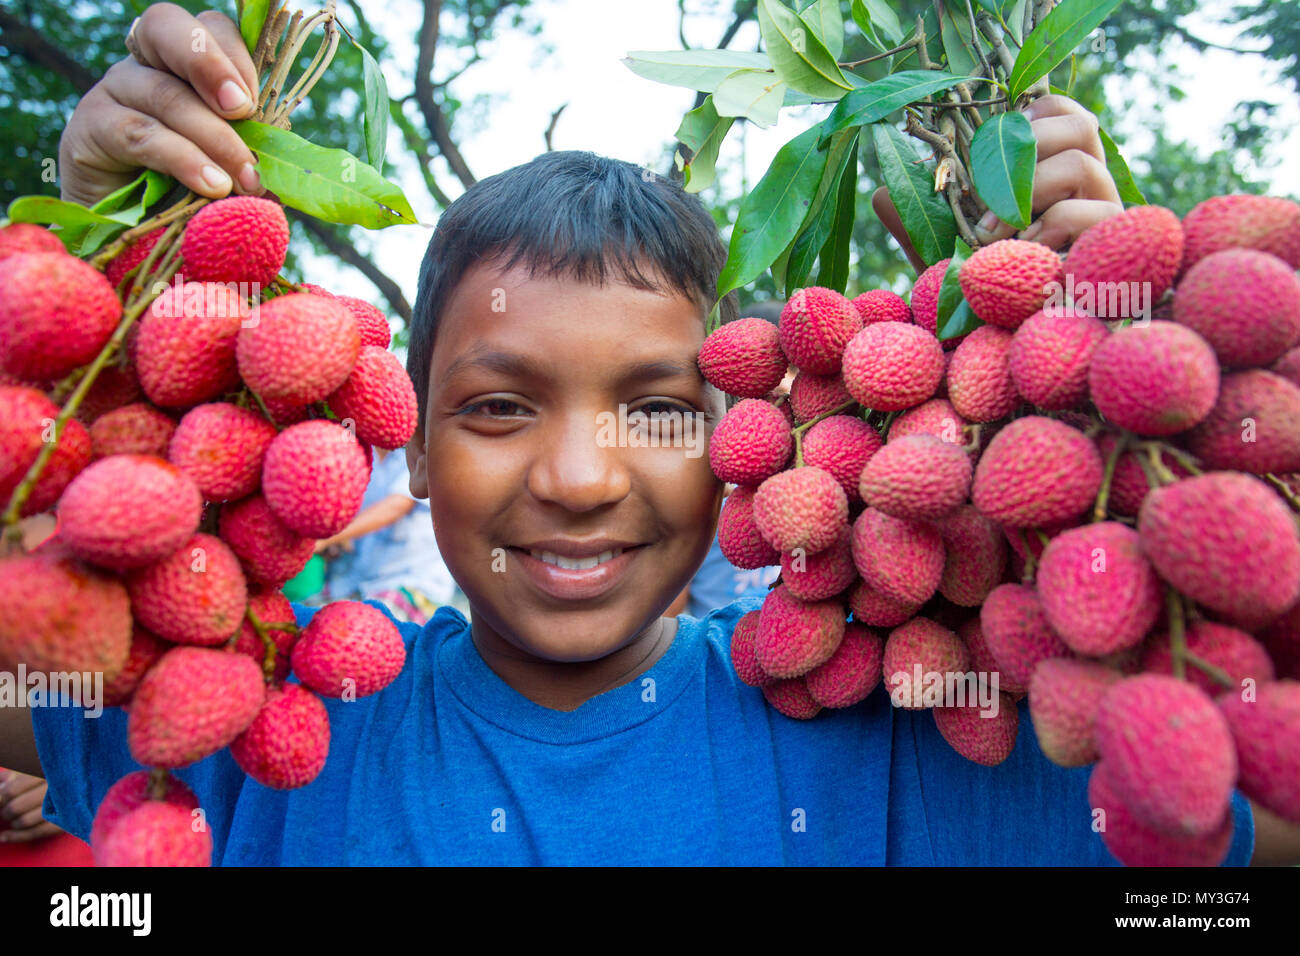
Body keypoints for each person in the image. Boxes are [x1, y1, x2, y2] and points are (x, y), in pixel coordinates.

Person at [4, 5, 1297, 865]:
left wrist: (1115, 357)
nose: (578, 480)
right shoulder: (259, 715)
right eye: (499, 407)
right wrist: (112, 318)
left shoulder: (907, 719)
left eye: (659, 411)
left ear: (746, 432)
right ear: (405, 433)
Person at [318, 446, 461, 624]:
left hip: (410, 587)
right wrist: (337, 543)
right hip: (357, 584)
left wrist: (328, 537)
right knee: (308, 622)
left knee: (363, 627)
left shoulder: (419, 460)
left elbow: (396, 506)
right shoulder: (359, 462)